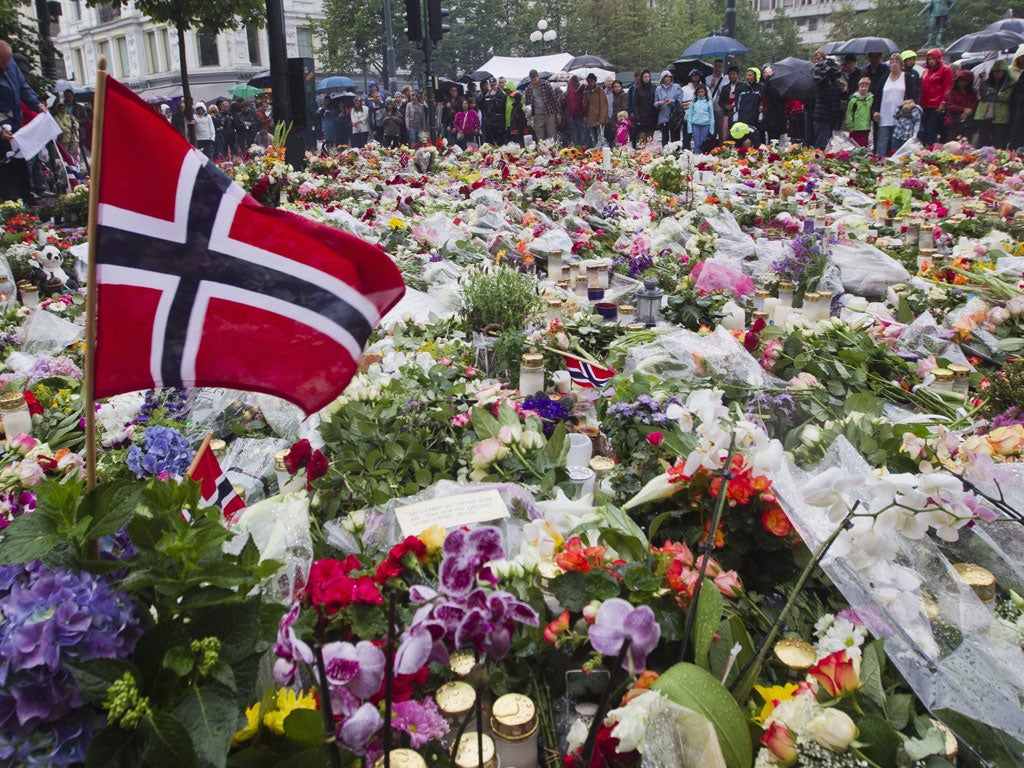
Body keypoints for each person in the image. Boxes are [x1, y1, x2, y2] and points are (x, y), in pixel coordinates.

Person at [0, 41, 47, 205]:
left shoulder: (11, 65)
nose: (5, 66)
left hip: (15, 126)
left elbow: (23, 88)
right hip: (2, 126)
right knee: (6, 169)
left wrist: (37, 104)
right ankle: (10, 203)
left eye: (7, 61)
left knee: (20, 162)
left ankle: (26, 196)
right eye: (2, 62)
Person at [975, 59, 1015, 148]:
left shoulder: (1010, 83)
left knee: (999, 142)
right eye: (995, 71)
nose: (997, 73)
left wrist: (991, 95)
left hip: (1001, 117)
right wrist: (983, 82)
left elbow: (1006, 97)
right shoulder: (987, 82)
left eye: (1000, 71)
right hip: (984, 116)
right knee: (984, 141)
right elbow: (982, 95)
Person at [873, 53, 906, 155]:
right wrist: (875, 111)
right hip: (884, 114)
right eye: (892, 62)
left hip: (900, 116)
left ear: (900, 64)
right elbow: (877, 96)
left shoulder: (906, 77)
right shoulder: (884, 78)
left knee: (896, 141)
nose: (894, 64)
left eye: (896, 62)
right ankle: (879, 161)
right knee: (882, 140)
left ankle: (895, 162)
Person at [919, 49, 952, 145]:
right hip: (925, 104)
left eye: (933, 59)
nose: (930, 61)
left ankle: (930, 149)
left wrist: (943, 102)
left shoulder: (945, 70)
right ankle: (926, 148)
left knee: (932, 129)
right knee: (925, 129)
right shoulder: (925, 71)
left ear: (938, 59)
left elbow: (947, 87)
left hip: (936, 105)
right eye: (928, 59)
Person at [811, 58, 843, 150]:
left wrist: (842, 89)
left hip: (831, 118)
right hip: (822, 118)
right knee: (822, 144)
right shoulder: (821, 85)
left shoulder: (834, 84)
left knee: (831, 144)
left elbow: (841, 96)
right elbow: (829, 96)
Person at [525, 69, 559, 143]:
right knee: (540, 138)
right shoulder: (528, 89)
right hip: (537, 116)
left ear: (538, 77)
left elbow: (553, 98)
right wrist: (529, 116)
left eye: (535, 79)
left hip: (549, 113)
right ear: (530, 79)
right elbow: (528, 105)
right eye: (532, 80)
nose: (534, 81)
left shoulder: (546, 84)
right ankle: (542, 152)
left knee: (552, 136)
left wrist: (558, 112)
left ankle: (553, 152)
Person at [945, 69, 978, 143]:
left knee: (966, 143)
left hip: (969, 122)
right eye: (961, 80)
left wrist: (969, 111)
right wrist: (963, 109)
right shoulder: (951, 92)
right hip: (954, 120)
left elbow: (975, 103)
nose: (963, 83)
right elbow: (949, 105)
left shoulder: (974, 93)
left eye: (965, 81)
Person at [655, 70, 683, 147]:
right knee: (665, 137)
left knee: (675, 138)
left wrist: (672, 101)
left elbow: (680, 100)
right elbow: (655, 103)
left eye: (669, 77)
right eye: (666, 77)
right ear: (662, 78)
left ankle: (676, 153)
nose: (668, 79)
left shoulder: (676, 87)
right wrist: (659, 103)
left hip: (674, 116)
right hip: (663, 116)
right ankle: (665, 154)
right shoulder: (658, 89)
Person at [844, 77, 874, 148]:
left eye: (866, 86)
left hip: (866, 127)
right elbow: (849, 113)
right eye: (862, 86)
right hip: (855, 128)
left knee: (864, 146)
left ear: (868, 88)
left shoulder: (871, 99)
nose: (863, 88)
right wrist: (849, 125)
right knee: (854, 145)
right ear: (858, 87)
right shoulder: (853, 100)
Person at [734, 67, 764, 136]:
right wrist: (736, 117)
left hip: (755, 118)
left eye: (750, 75)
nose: (748, 77)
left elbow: (762, 103)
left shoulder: (760, 88)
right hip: (743, 118)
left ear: (755, 76)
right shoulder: (741, 89)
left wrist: (760, 115)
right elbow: (737, 104)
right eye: (747, 75)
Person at [679, 68, 704, 150]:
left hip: (700, 119)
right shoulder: (684, 89)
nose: (696, 77)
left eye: (697, 75)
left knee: (699, 140)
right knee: (686, 140)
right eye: (694, 75)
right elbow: (680, 104)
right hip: (687, 118)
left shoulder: (704, 89)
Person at [582, 73, 607, 148]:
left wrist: (602, 119)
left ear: (595, 81)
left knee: (601, 138)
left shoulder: (600, 91)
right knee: (593, 138)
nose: (590, 83)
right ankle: (595, 151)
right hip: (591, 119)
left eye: (592, 81)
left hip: (598, 118)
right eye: (588, 82)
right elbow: (585, 106)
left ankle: (601, 151)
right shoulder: (586, 91)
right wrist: (586, 95)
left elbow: (604, 105)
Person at [632, 69, 657, 146]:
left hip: (652, 116)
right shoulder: (638, 89)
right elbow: (635, 104)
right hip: (642, 117)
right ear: (642, 78)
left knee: (650, 140)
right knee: (642, 141)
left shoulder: (654, 87)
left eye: (648, 76)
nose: (647, 78)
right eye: (645, 77)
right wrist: (638, 117)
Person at [761, 66, 786, 143]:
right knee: (770, 138)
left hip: (779, 114)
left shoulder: (780, 84)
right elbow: (764, 91)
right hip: (770, 114)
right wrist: (768, 79)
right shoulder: (767, 85)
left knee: (777, 139)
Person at [687, 84, 714, 152]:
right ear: (696, 93)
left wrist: (711, 129)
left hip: (705, 124)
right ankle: (696, 156)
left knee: (703, 141)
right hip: (695, 124)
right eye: (699, 92)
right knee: (697, 142)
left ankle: (703, 157)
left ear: (705, 92)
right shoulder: (694, 102)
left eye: (702, 92)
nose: (700, 93)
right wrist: (689, 128)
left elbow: (711, 116)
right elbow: (690, 115)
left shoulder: (708, 102)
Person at [481, 77, 506, 145]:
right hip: (490, 122)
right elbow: (484, 108)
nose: (493, 87)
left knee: (500, 141)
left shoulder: (502, 94)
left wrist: (494, 98)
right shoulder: (487, 95)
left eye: (494, 85)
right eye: (491, 85)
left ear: (497, 84)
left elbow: (501, 106)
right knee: (491, 142)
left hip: (499, 122)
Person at [717, 65, 740, 138]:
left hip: (738, 114)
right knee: (725, 133)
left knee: (737, 132)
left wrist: (735, 106)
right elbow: (720, 102)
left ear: (737, 75)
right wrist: (726, 106)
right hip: (727, 113)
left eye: (733, 74)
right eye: (730, 74)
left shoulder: (742, 86)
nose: (732, 76)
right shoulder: (725, 88)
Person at [564, 74, 585, 146]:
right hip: (573, 118)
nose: (571, 85)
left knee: (583, 137)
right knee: (576, 137)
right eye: (570, 84)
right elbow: (568, 102)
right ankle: (578, 151)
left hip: (582, 118)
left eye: (571, 83)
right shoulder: (570, 90)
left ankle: (585, 151)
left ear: (577, 82)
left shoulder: (584, 89)